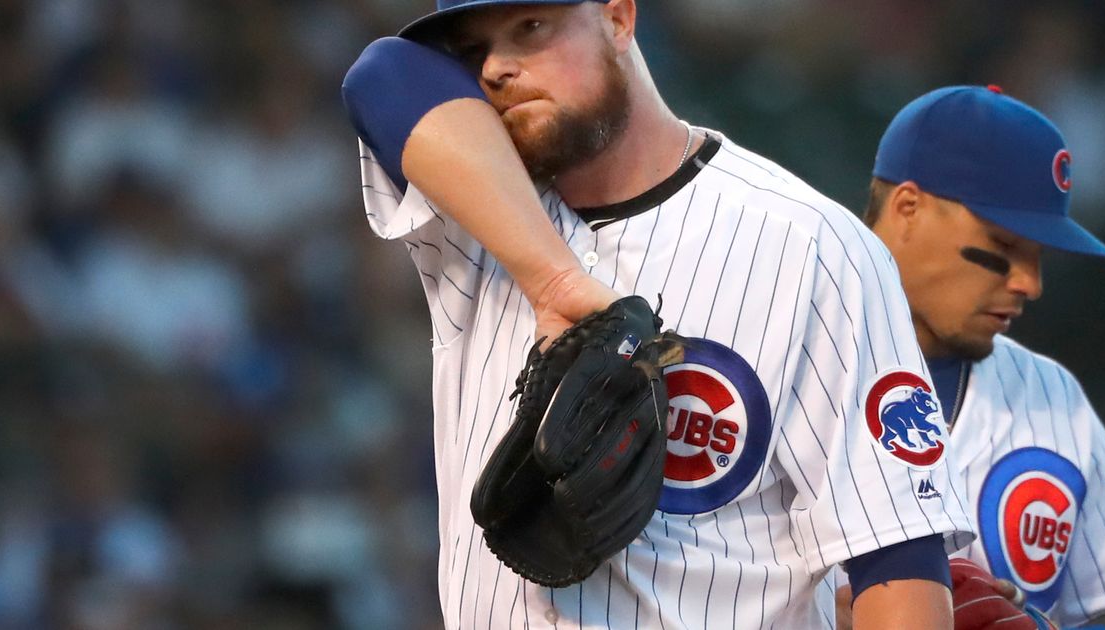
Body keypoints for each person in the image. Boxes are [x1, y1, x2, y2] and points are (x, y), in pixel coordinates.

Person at [342, 1, 976, 627]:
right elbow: (382, 74)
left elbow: (896, 555)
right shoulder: (474, 218)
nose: (498, 68)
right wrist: (554, 281)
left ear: (619, 17)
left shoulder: (810, 245)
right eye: (474, 50)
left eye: (530, 27)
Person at [855, 85, 1105, 628]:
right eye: (1003, 247)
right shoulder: (780, 351)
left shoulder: (1053, 397)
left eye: (1038, 255)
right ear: (908, 207)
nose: (1030, 283)